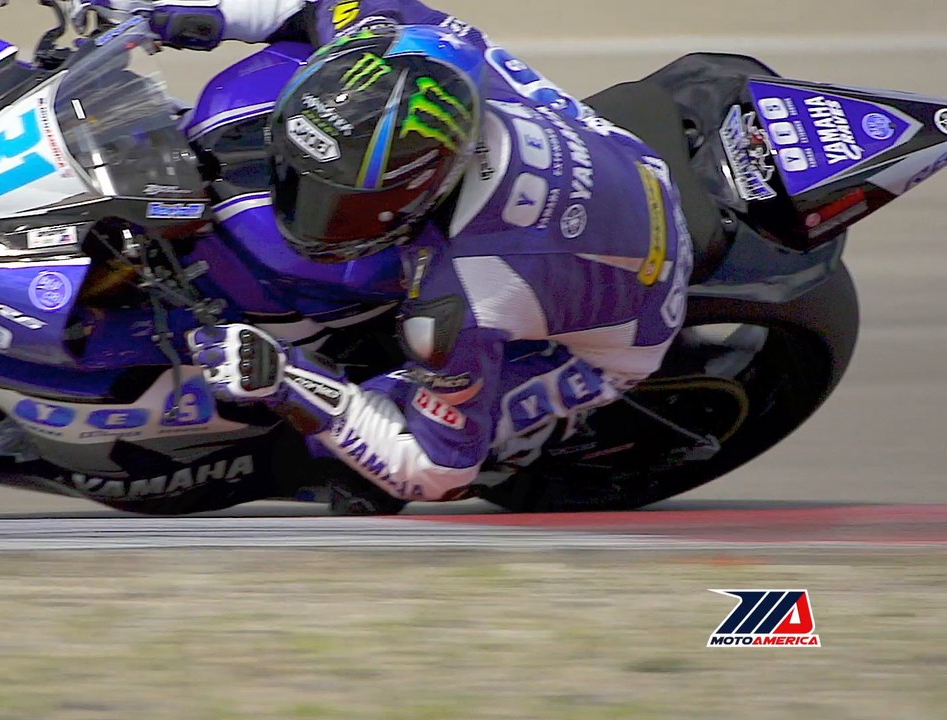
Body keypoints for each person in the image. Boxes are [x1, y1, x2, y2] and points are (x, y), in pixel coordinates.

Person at [75, 0, 694, 514]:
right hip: (622, 163)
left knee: (349, 467)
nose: (302, 207)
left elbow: (436, 472)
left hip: (629, 319)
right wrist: (163, 11)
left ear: (416, 191)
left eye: (333, 203)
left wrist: (288, 380)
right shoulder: (424, 47)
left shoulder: (461, 299)